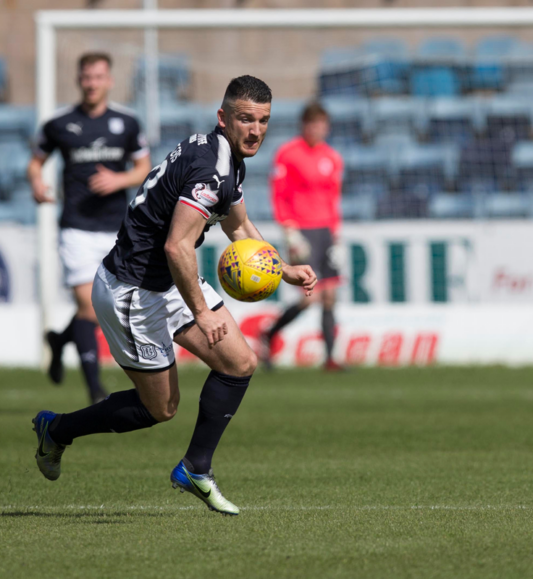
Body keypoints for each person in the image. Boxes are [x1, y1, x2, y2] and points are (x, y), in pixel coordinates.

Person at [31, 76, 317, 515]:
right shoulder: (211, 168)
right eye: (245, 119)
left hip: (170, 280)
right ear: (224, 118)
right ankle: (58, 429)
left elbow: (237, 226)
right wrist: (202, 313)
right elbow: (177, 246)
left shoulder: (223, 153)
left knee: (240, 363)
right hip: (133, 290)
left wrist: (281, 268)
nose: (255, 130)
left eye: (263, 120)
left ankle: (195, 469)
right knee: (160, 408)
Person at [27, 52, 152, 404]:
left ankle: (60, 339)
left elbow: (144, 168)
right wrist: (36, 183)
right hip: (76, 227)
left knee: (101, 306)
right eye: (86, 77)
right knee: (88, 305)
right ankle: (95, 389)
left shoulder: (126, 123)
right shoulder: (59, 124)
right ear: (79, 80)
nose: (92, 83)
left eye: (98, 77)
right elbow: (35, 164)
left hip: (118, 229)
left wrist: (119, 179)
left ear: (109, 80)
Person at [261, 101, 344, 371]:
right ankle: (269, 335)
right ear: (304, 126)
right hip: (301, 230)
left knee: (330, 295)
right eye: (314, 125)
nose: (318, 130)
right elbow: (279, 194)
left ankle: (330, 359)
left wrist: (337, 233)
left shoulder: (332, 157)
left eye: (323, 125)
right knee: (311, 298)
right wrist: (288, 230)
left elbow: (333, 198)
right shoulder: (288, 154)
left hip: (325, 232)